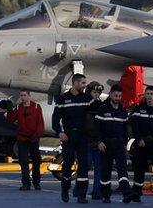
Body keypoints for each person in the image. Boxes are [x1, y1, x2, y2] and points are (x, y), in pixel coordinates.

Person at [53, 73, 93, 203]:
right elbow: (55, 119)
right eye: (83, 83)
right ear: (75, 83)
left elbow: (97, 111)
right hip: (69, 137)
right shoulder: (63, 99)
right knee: (67, 165)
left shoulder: (87, 98)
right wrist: (60, 132)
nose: (84, 85)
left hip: (82, 136)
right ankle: (65, 189)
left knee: (83, 166)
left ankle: (81, 195)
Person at [93, 83, 131, 203]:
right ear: (110, 94)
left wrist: (125, 143)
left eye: (119, 96)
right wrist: (99, 142)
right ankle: (106, 195)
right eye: (115, 95)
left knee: (123, 170)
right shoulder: (103, 109)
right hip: (106, 145)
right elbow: (97, 128)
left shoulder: (123, 110)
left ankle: (126, 194)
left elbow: (126, 129)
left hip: (119, 145)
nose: (117, 98)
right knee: (106, 171)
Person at [7, 90, 44, 190]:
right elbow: (10, 120)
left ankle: (36, 182)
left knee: (36, 161)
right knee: (23, 162)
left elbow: (40, 122)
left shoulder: (36, 107)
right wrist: (10, 110)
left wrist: (37, 135)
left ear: (29, 96)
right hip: (22, 138)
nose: (23, 97)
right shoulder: (18, 108)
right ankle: (25, 184)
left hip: (33, 138)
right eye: (21, 96)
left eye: (24, 95)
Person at [86, 81, 106, 199]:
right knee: (85, 166)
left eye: (98, 92)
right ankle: (80, 189)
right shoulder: (84, 105)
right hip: (87, 141)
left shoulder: (102, 106)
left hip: (98, 142)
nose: (96, 95)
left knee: (99, 168)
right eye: (94, 92)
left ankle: (96, 191)